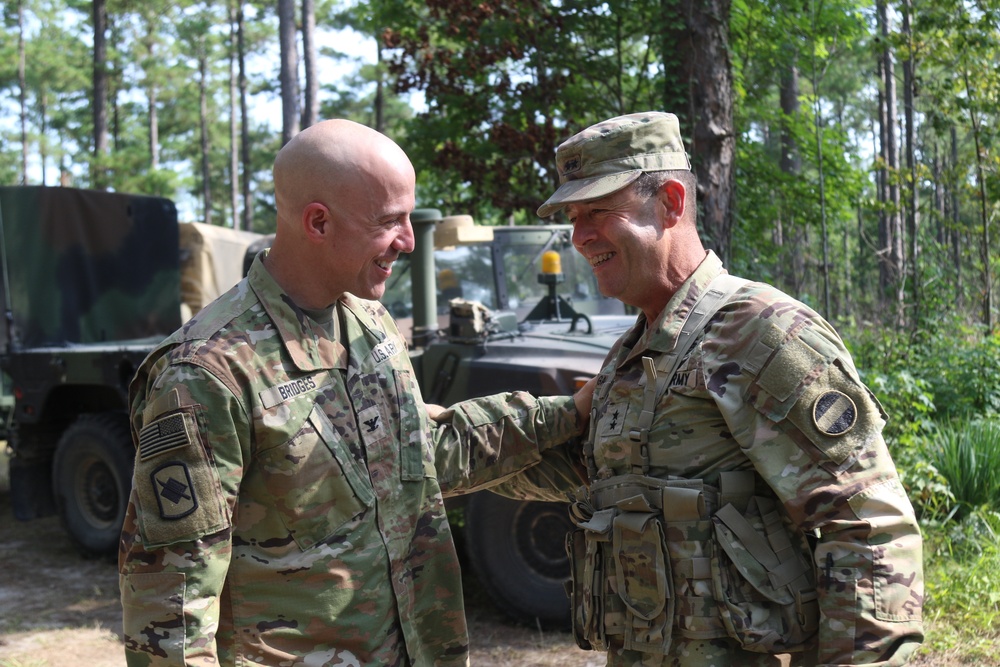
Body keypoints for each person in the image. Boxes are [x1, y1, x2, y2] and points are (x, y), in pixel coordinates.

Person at [118, 119, 592, 667]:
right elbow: (171, 611)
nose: (409, 241)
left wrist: (567, 414)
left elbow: (419, 453)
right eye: (390, 221)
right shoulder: (207, 373)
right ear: (318, 222)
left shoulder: (368, 321)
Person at [531, 111, 924, 666]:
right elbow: (593, 479)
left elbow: (868, 528)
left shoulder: (761, 331)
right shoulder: (634, 350)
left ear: (670, 202)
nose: (579, 236)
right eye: (573, 218)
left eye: (598, 210)